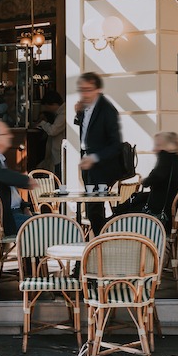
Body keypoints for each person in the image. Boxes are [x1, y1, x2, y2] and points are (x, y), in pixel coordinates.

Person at [74, 71, 122, 234]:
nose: (84, 93)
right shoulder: (86, 107)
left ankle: (100, 245)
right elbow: (87, 131)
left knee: (94, 210)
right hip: (88, 163)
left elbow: (116, 145)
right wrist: (78, 114)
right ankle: (96, 245)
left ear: (98, 90)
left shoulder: (107, 110)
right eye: (81, 89)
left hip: (102, 166)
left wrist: (94, 158)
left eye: (88, 89)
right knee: (91, 209)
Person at [137, 132, 178, 230]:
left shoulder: (165, 158)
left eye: (158, 145)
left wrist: (144, 181)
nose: (154, 149)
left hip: (160, 217)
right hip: (172, 217)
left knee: (126, 211)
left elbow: (155, 177)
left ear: (167, 146)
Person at [35, 90, 65, 178]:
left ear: (53, 104)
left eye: (47, 107)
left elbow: (53, 131)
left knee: (59, 176)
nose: (47, 109)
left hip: (60, 153)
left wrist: (42, 123)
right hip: (57, 153)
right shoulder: (60, 113)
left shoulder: (63, 114)